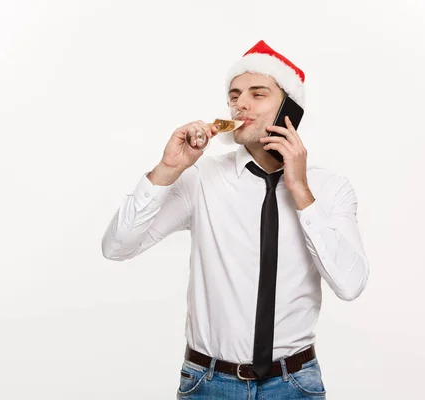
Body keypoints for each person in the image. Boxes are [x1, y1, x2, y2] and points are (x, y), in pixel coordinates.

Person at [102, 40, 370, 399]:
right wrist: (168, 170)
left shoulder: (331, 188)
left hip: (294, 385)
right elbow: (116, 247)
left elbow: (350, 284)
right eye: (234, 96)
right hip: (209, 383)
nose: (239, 104)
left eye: (257, 94)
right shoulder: (201, 179)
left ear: (289, 109)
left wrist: (301, 191)